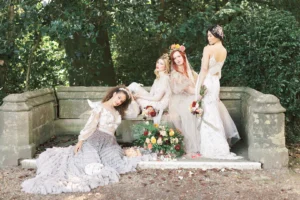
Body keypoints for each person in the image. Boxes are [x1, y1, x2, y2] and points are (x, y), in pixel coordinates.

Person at [22, 86, 151, 194]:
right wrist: (81, 140)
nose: (119, 102)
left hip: (110, 143)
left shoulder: (118, 112)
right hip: (95, 139)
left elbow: (133, 113)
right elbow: (90, 125)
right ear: (114, 93)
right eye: (119, 98)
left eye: (122, 101)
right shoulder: (99, 107)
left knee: (117, 164)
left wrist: (131, 97)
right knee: (90, 167)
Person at [194, 25, 241, 159]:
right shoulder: (224, 50)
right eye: (207, 35)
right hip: (215, 83)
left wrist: (199, 88)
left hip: (207, 81)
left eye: (210, 35)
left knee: (206, 112)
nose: (208, 38)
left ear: (218, 35)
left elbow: (204, 69)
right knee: (212, 110)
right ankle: (220, 146)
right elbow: (218, 71)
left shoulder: (208, 49)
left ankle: (210, 148)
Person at [168, 44, 200, 157]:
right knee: (189, 111)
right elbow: (190, 90)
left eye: (179, 57)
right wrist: (199, 95)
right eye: (174, 58)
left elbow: (199, 84)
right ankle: (193, 146)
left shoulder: (191, 72)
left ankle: (207, 142)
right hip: (181, 100)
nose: (177, 60)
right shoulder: (175, 74)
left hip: (192, 97)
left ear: (183, 56)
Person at [126, 53, 171, 124]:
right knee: (134, 85)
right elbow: (151, 95)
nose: (158, 65)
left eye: (161, 64)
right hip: (154, 101)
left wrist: (139, 96)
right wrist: (138, 94)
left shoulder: (165, 78)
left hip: (159, 105)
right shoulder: (157, 79)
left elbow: (157, 98)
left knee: (137, 99)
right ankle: (121, 97)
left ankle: (125, 109)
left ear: (166, 67)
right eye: (158, 62)